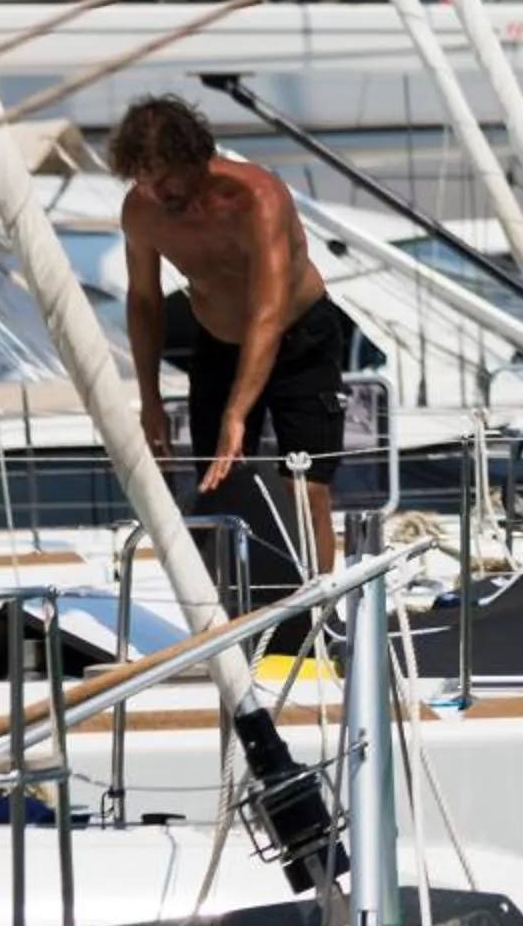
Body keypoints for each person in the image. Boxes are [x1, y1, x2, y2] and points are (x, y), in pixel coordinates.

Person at [110, 94, 353, 571]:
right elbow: (143, 302)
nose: (157, 192)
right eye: (144, 179)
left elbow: (268, 311)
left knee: (307, 487)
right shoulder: (142, 211)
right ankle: (228, 616)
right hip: (220, 347)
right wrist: (151, 401)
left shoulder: (257, 197)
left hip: (298, 340)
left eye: (164, 177)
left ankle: (321, 614)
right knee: (216, 484)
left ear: (194, 156)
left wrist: (237, 412)